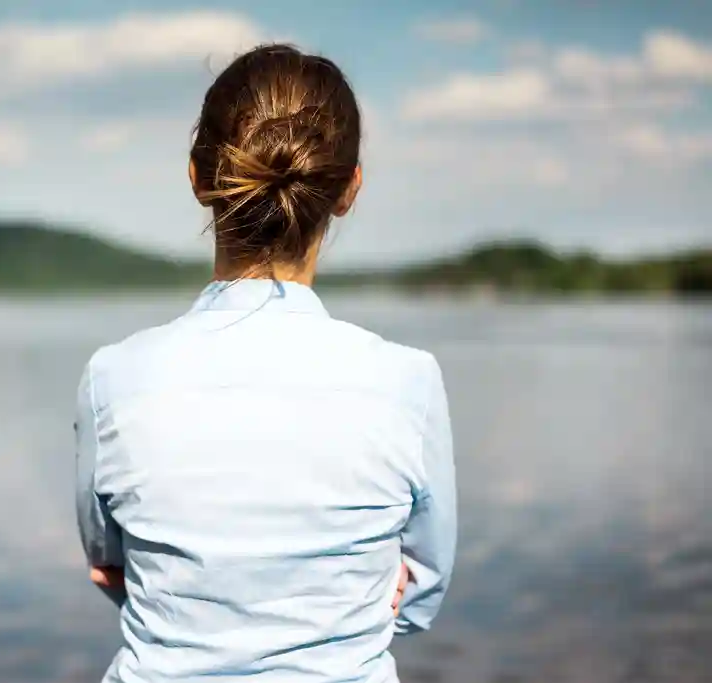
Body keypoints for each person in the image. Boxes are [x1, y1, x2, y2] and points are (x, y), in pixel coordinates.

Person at [75, 44, 457, 683]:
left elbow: (109, 563)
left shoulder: (112, 380)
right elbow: (420, 591)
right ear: (348, 190)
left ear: (198, 178)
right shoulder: (408, 384)